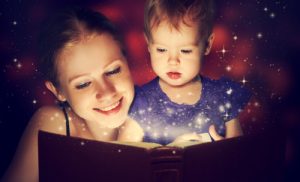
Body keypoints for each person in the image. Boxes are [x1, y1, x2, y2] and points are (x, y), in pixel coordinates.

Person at [2, 7, 143, 182]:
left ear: (127, 62)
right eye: (83, 84)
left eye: (113, 71)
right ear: (57, 91)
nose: (107, 93)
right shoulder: (52, 124)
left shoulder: (162, 106)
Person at [129, 0, 251, 145]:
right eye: (161, 50)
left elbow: (239, 157)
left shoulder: (222, 96)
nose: (173, 61)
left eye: (185, 51)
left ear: (206, 45)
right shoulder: (141, 102)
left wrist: (225, 152)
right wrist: (169, 152)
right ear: (148, 44)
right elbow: (128, 161)